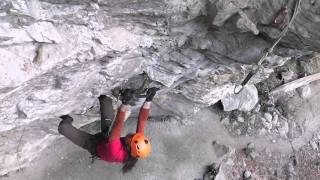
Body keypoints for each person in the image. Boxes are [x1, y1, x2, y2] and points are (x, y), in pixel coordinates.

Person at [58, 87, 158, 173]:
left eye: (131, 137)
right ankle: (104, 100)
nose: (132, 135)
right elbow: (142, 120)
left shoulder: (115, 152)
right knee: (105, 100)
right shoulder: (137, 143)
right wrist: (149, 99)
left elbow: (118, 125)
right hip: (107, 137)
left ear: (128, 145)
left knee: (63, 127)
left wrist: (124, 103)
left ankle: (68, 120)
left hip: (94, 145)